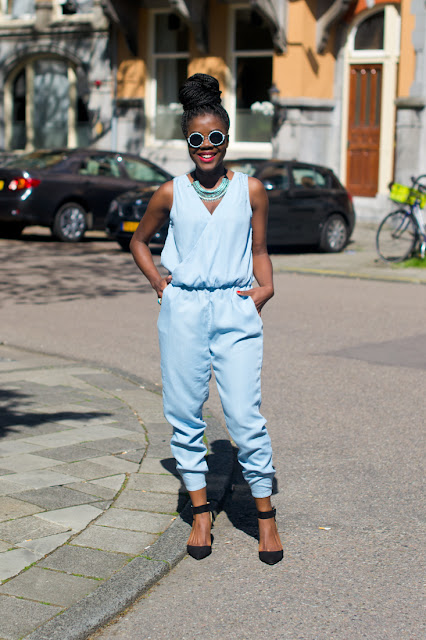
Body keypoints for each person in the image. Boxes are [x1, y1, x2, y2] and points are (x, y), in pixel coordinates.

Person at [130, 73, 283, 565]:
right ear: (187, 142)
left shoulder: (251, 189)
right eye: (196, 139)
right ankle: (200, 513)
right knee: (184, 412)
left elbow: (260, 249)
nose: (207, 146)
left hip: (235, 308)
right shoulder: (170, 192)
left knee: (244, 415)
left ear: (227, 138)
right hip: (184, 310)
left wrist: (266, 287)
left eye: (215, 136)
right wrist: (159, 282)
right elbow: (139, 241)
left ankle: (264, 516)